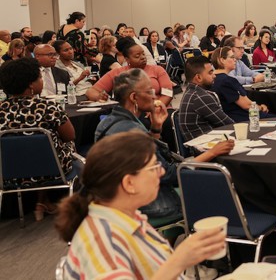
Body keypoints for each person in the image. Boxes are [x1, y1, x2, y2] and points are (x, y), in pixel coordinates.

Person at [55, 131, 227, 279]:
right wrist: (178, 261)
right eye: (154, 167)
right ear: (129, 183)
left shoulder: (124, 216)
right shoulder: (104, 240)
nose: (160, 172)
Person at [94, 69, 233, 217]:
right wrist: (212, 153)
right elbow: (169, 174)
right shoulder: (133, 132)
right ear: (134, 97)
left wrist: (156, 129)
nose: (154, 96)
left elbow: (143, 162)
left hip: (115, 201)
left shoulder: (106, 122)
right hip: (149, 204)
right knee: (220, 189)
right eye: (149, 92)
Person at [0, 58, 76, 221]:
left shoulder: (1, 110)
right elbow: (70, 136)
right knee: (61, 147)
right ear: (31, 85)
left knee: (34, 152)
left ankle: (43, 202)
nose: (42, 80)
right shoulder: (48, 107)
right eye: (40, 78)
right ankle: (45, 201)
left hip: (8, 173)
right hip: (52, 172)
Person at [87, 37, 174, 105]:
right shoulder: (118, 73)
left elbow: (168, 93)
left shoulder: (157, 69)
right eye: (137, 56)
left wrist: (156, 107)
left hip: (157, 108)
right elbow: (91, 92)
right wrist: (99, 97)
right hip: (129, 113)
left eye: (143, 54)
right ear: (127, 59)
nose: (143, 57)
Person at [177, 56, 234, 141]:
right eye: (210, 73)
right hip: (209, 148)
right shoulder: (200, 97)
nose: (214, 76)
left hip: (207, 144)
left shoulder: (191, 92)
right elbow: (229, 125)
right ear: (198, 77)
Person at [210, 47, 270, 122]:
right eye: (232, 57)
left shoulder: (211, 80)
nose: (235, 60)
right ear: (222, 60)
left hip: (226, 119)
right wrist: (261, 107)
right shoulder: (228, 81)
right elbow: (247, 105)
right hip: (243, 119)